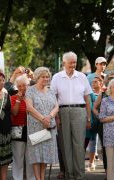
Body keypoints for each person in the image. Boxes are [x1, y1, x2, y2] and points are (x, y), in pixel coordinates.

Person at [50, 51, 92, 180]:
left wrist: (89, 118)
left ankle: (79, 175)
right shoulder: (57, 77)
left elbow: (87, 98)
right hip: (62, 112)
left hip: (79, 111)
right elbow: (53, 98)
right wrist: (56, 117)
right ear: (64, 63)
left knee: (79, 145)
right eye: (71, 62)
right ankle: (69, 175)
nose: (73, 65)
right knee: (65, 145)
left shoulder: (82, 76)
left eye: (75, 62)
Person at [26, 67, 59, 180]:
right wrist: (42, 119)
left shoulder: (50, 91)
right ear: (37, 77)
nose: (46, 79)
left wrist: (49, 117)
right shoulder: (30, 90)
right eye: (43, 77)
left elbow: (56, 107)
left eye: (47, 76)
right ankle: (37, 178)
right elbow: (29, 107)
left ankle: (42, 178)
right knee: (36, 154)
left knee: (45, 154)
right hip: (35, 126)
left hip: (49, 126)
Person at [11, 75, 34, 180]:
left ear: (28, 85)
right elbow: (14, 113)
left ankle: (31, 178)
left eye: (24, 85)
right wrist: (18, 101)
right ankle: (17, 178)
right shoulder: (13, 98)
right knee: (18, 157)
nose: (22, 88)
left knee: (30, 158)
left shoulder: (33, 97)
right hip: (18, 129)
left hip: (31, 129)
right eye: (19, 86)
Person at [85, 76, 103, 171]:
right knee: (92, 142)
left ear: (101, 83)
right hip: (93, 121)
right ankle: (91, 164)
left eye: (96, 82)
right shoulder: (90, 94)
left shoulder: (104, 94)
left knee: (102, 143)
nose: (93, 83)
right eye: (93, 82)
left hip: (103, 122)